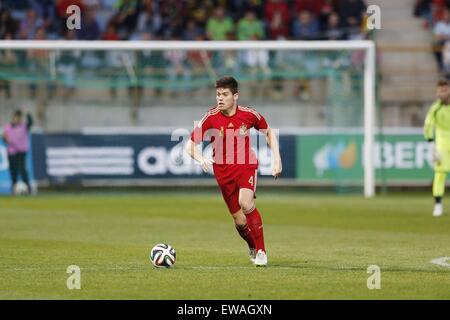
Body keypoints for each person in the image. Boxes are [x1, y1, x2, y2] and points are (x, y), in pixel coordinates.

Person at [185, 76, 282, 266]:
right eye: (218, 94)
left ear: (235, 96)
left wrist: (277, 160)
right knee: (239, 220)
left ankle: (262, 252)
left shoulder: (249, 114)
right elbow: (189, 145)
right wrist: (201, 158)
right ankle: (253, 246)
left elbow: (269, 132)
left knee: (245, 203)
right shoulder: (210, 117)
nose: (220, 98)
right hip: (223, 173)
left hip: (246, 165)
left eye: (225, 94)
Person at [424, 80, 450, 216]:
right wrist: (431, 146)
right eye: (440, 91)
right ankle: (438, 205)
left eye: (445, 90)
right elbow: (428, 126)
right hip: (442, 145)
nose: (442, 93)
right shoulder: (435, 108)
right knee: (440, 174)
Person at [2, 109, 33, 195]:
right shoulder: (7, 127)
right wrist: (5, 139)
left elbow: (30, 122)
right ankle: (14, 189)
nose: (18, 119)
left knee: (23, 170)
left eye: (20, 117)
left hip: (21, 152)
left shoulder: (24, 126)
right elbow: (4, 138)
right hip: (12, 152)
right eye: (17, 117)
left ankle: (28, 188)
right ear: (13, 117)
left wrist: (28, 113)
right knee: (13, 171)